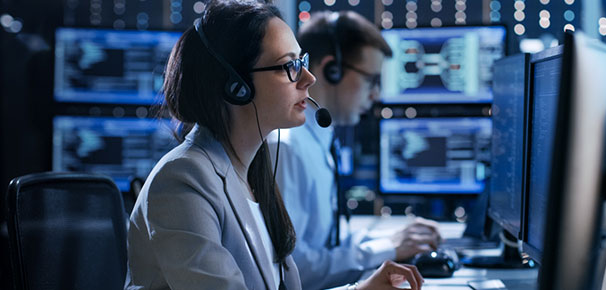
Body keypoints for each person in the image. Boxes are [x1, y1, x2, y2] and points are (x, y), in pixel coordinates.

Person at [125, 1, 424, 290]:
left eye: (302, 62)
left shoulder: (254, 172)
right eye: (288, 66)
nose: (309, 78)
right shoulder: (183, 181)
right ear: (236, 85)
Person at [267, 11, 441, 290]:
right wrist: (387, 248)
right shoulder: (287, 149)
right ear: (331, 70)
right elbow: (294, 271)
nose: (375, 95)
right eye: (371, 80)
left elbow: (326, 241)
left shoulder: (319, 140)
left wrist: (393, 242)